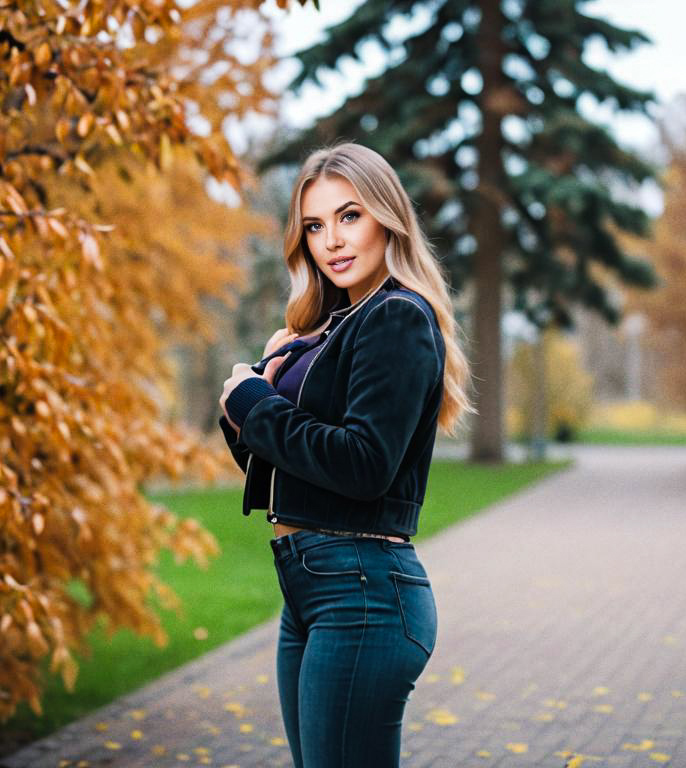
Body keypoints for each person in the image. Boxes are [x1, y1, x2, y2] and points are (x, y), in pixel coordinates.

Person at [217, 141, 474, 767]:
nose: (330, 239)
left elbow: (363, 466)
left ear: (388, 217)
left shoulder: (396, 316)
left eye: (349, 215)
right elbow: (283, 464)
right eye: (314, 224)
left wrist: (257, 404)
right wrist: (255, 395)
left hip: (361, 592)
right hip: (311, 588)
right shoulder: (335, 326)